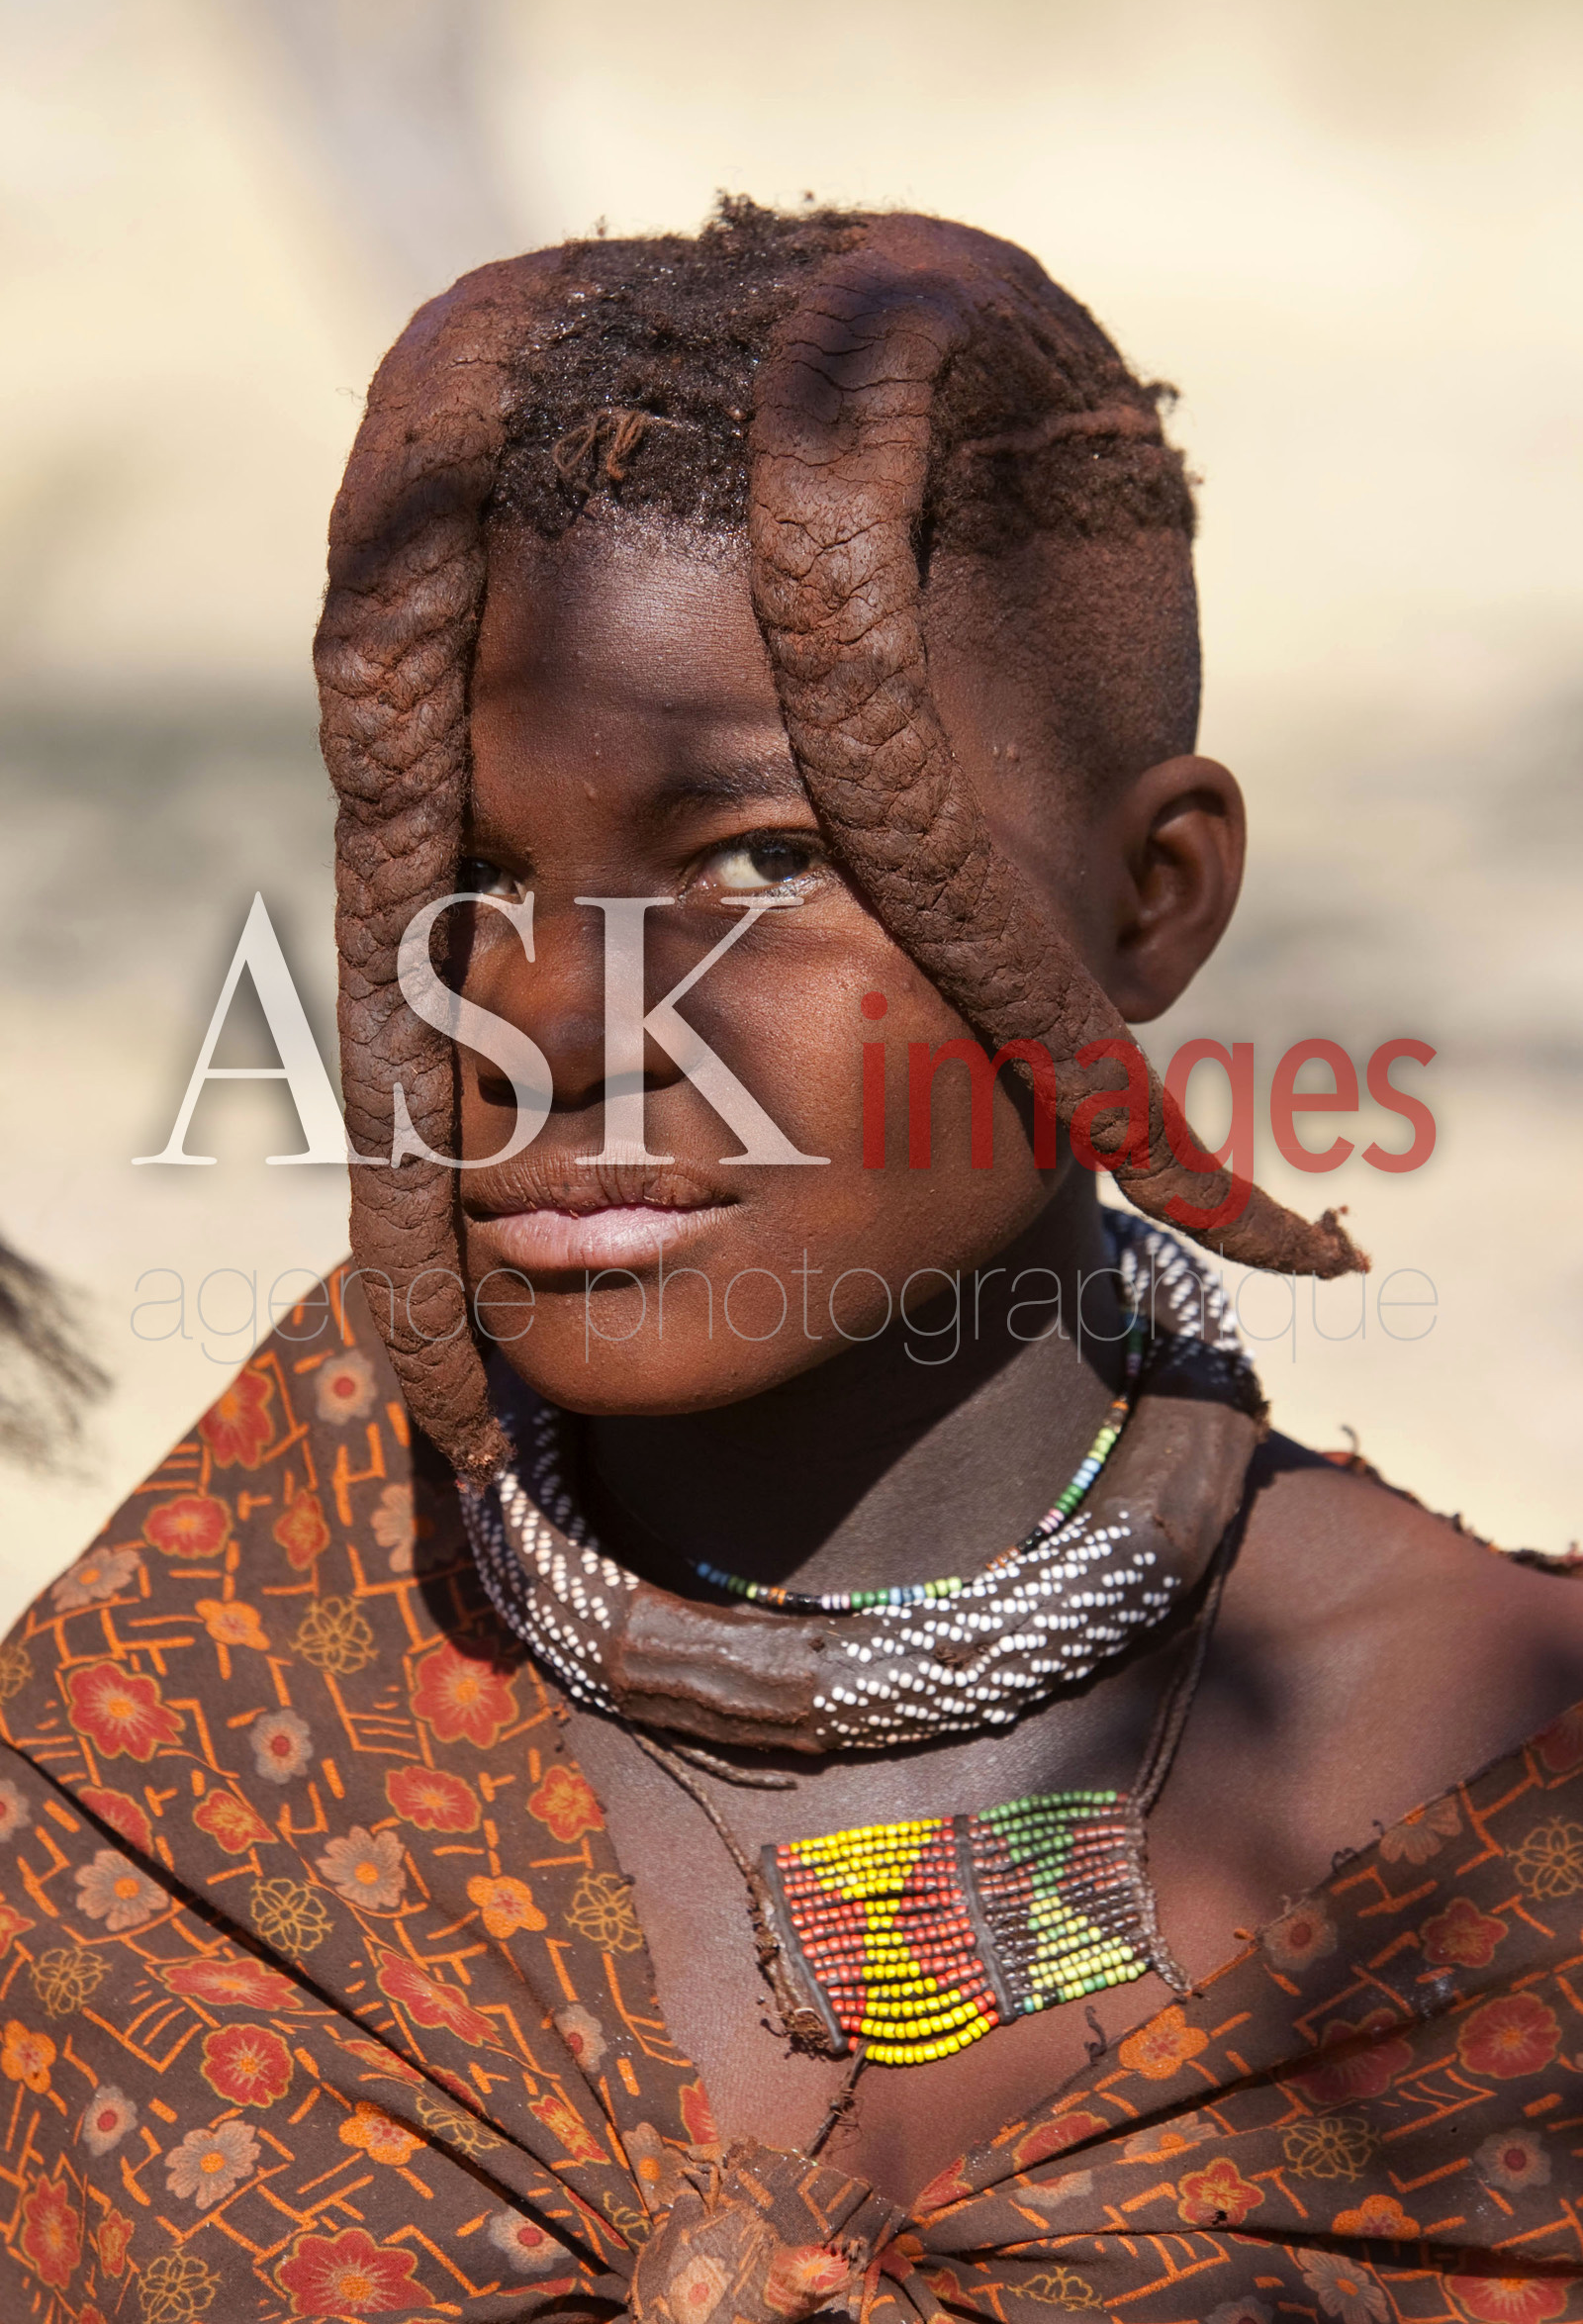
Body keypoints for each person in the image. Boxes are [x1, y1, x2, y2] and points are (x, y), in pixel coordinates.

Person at [2, 199, 1579, 2324]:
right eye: (468, 874)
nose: (547, 1023)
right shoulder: (202, 1714)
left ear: (1153, 898)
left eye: (759, 862)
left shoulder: (1485, 1797)